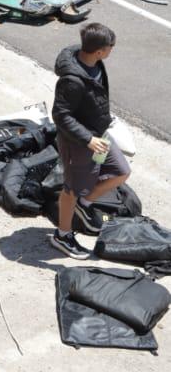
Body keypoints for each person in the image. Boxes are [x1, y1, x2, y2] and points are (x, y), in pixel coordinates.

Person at [51, 23, 131, 259]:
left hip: (100, 134)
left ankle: (84, 204)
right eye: (110, 48)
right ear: (99, 51)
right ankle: (62, 236)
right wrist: (87, 139)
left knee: (121, 171)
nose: (110, 52)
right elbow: (60, 115)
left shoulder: (91, 60)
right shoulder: (72, 81)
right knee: (71, 189)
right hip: (80, 144)